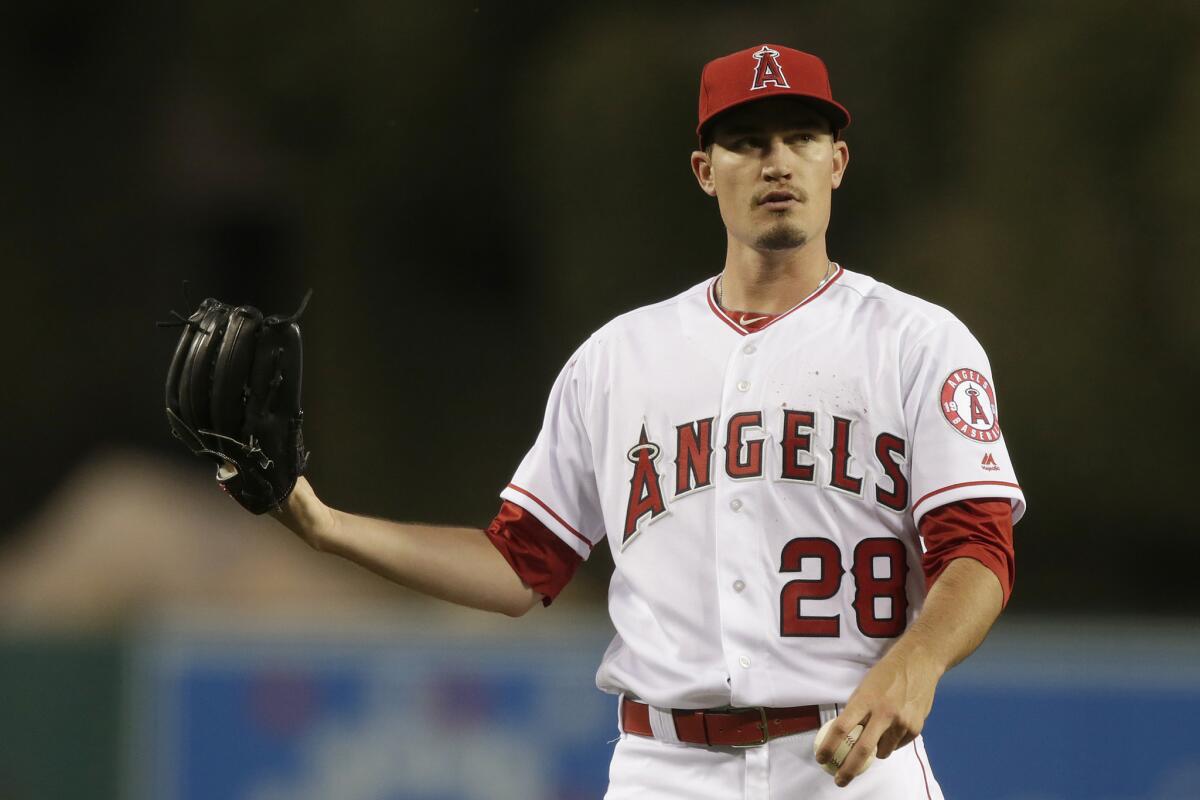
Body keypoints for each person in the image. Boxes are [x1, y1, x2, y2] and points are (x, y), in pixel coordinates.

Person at [274, 43, 1024, 799]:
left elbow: (979, 549)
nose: (777, 162)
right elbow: (520, 564)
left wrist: (918, 659)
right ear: (706, 171)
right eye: (747, 142)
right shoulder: (616, 360)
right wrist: (325, 525)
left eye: (802, 137)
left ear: (837, 162)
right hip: (664, 769)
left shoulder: (917, 342)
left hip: (850, 761)